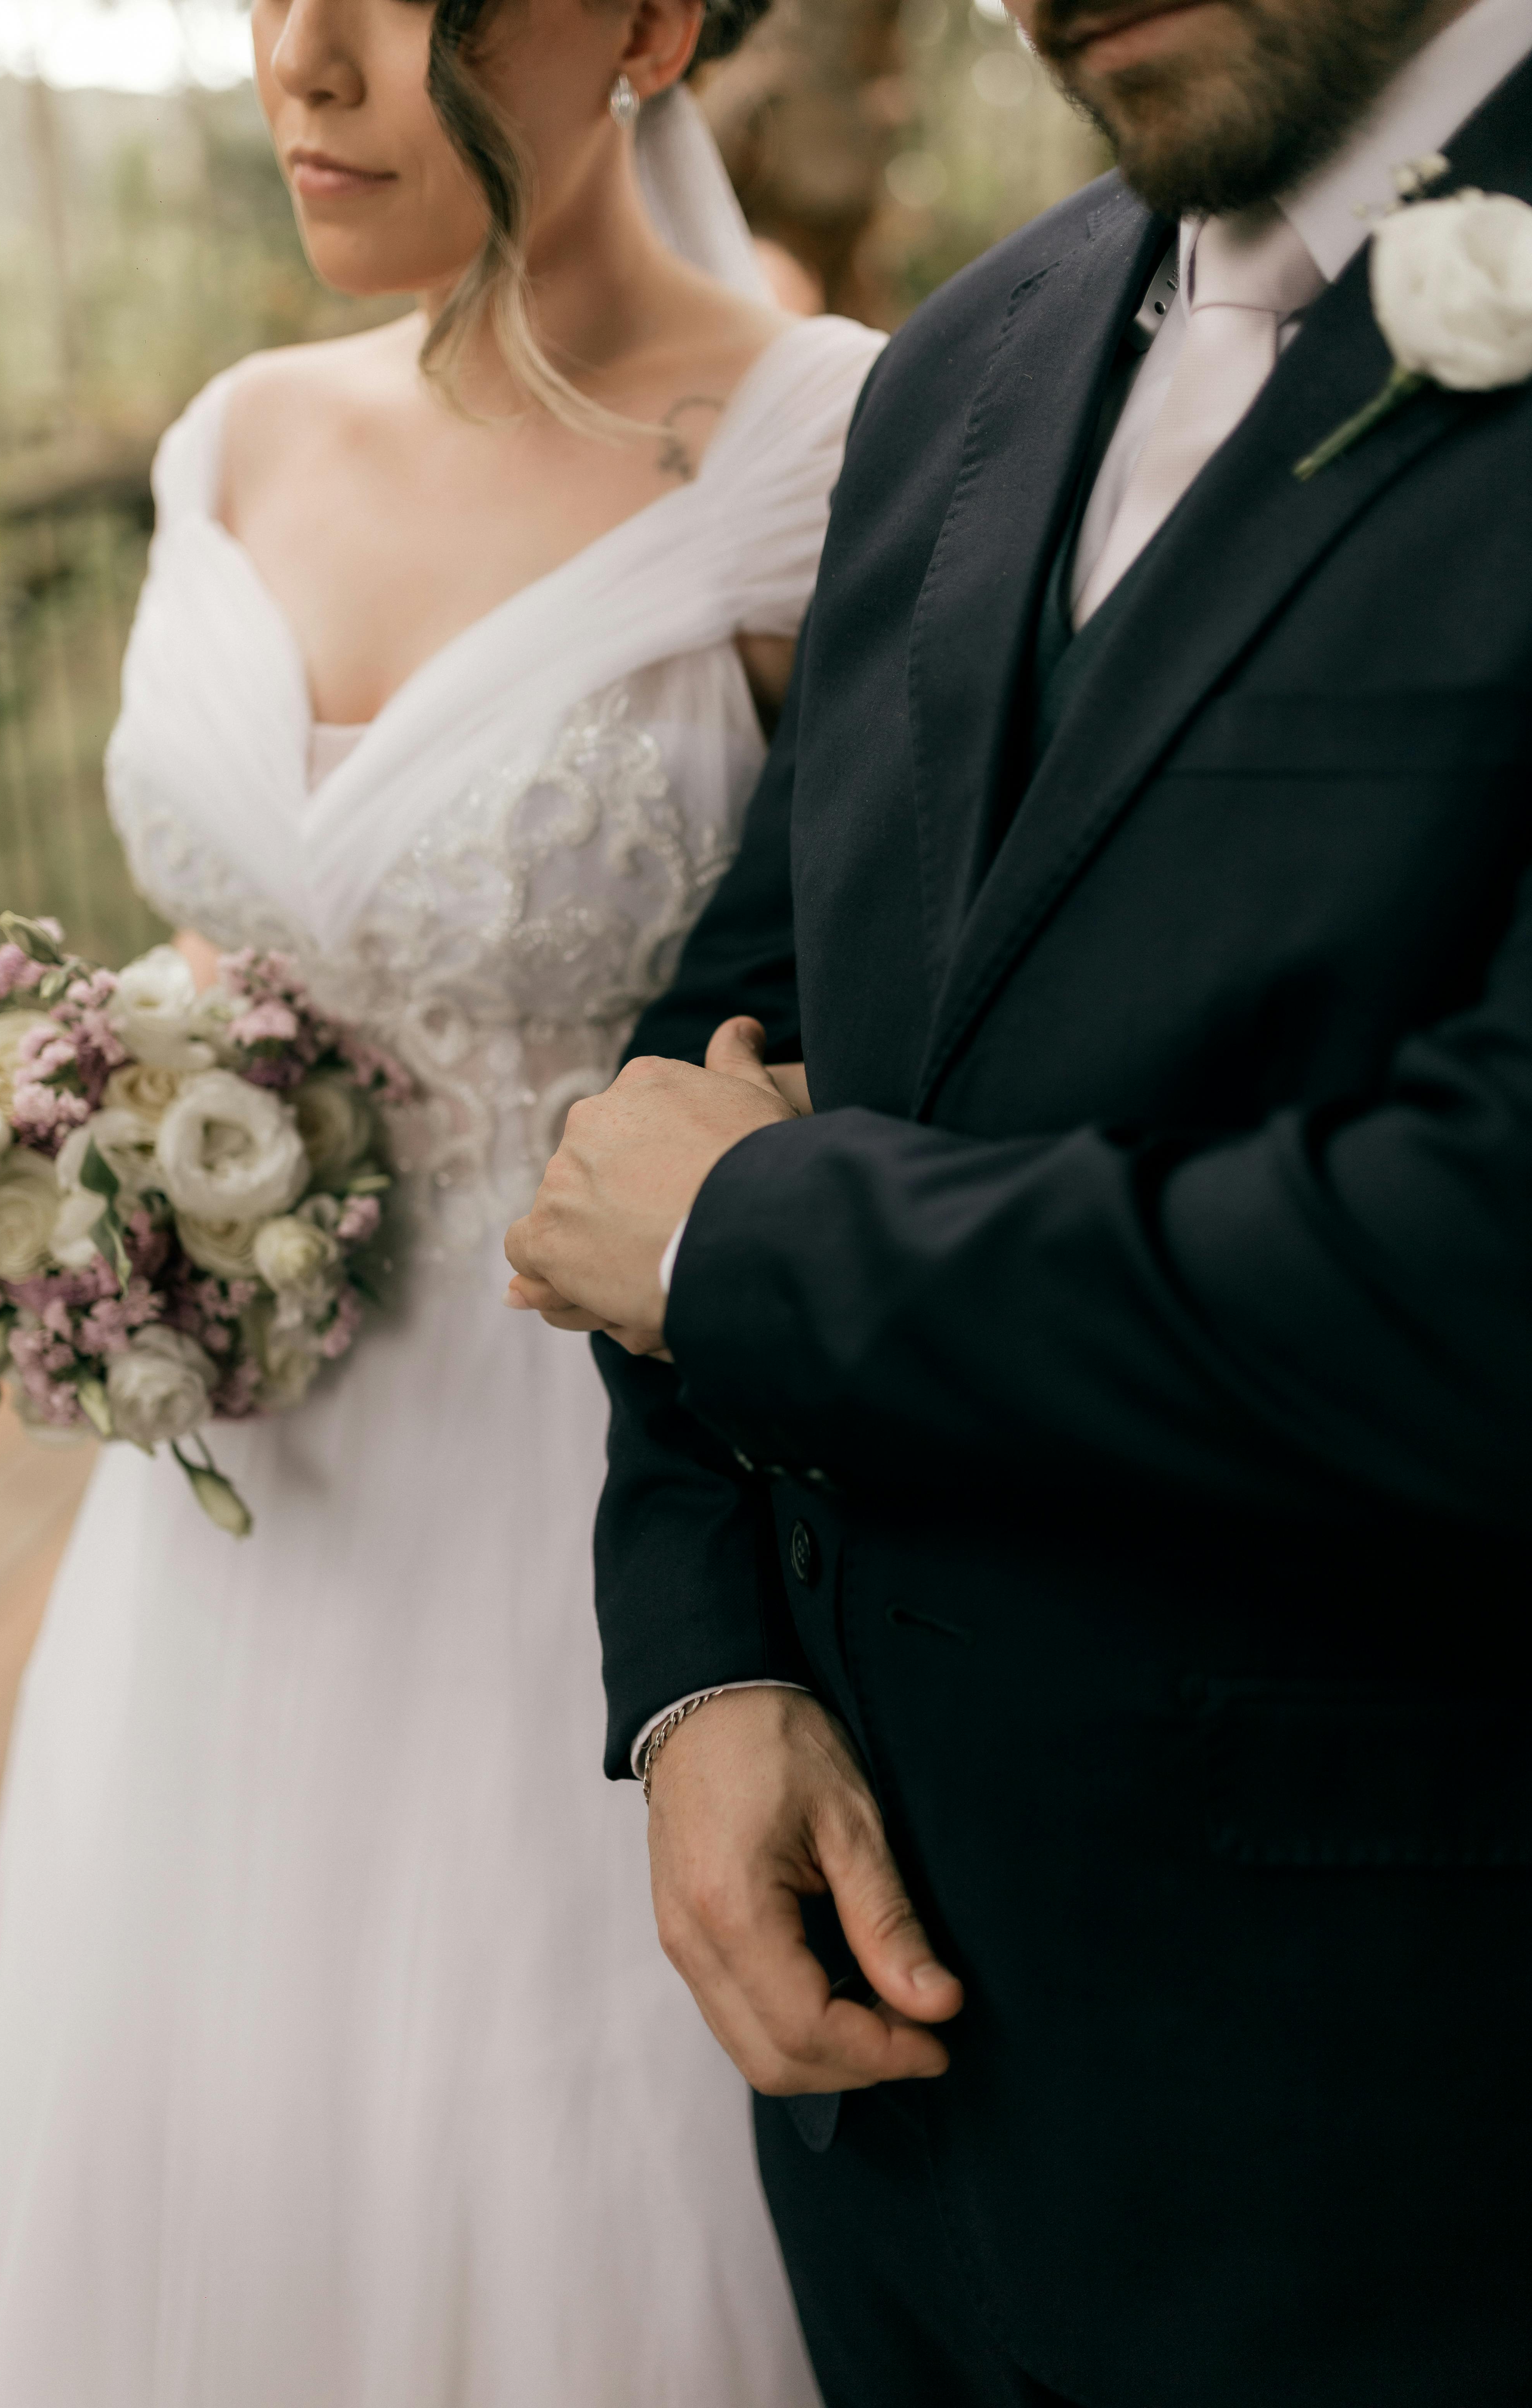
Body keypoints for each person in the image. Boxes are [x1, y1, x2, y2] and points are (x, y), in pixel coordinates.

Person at [506, 0, 1532, 2401]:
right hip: (888, 2108)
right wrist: (708, 1663)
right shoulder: (977, 347)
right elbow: (726, 1043)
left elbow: (1488, 1263)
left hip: (1397, 2125)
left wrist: (747, 1257)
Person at [0, 5, 883, 2403]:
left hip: (587, 1518)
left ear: (658, 22)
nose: (316, 66)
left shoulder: (826, 450)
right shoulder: (236, 440)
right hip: (224, 1531)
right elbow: (246, 938)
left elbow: (875, 1014)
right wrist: (95, 1119)